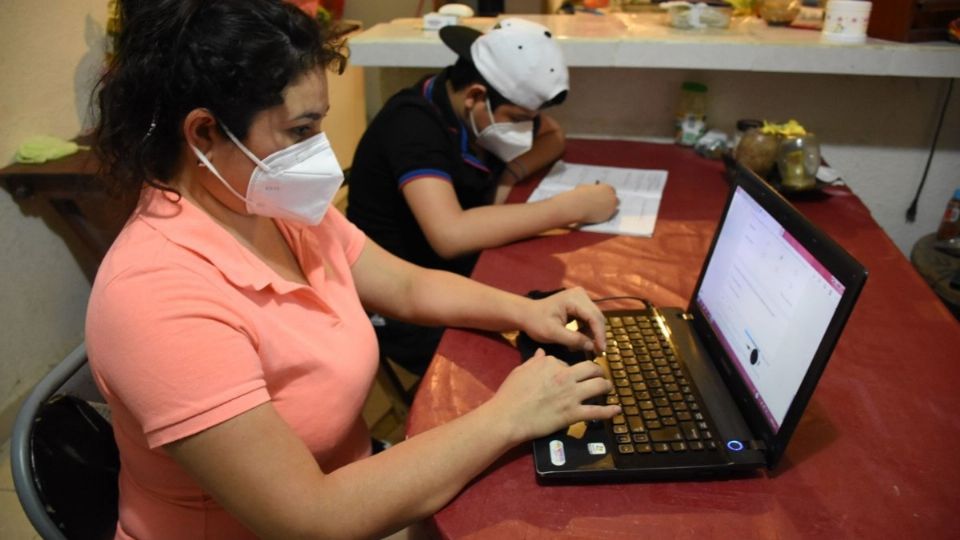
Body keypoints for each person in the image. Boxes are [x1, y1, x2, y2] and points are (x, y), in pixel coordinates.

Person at [87, 2, 620, 538]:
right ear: (204, 133)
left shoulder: (273, 210)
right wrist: (509, 415)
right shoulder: (157, 298)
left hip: (359, 483)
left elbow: (406, 285)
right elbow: (312, 517)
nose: (322, 151)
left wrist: (526, 310)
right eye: (300, 130)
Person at [347, 19, 619, 375]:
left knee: (566, 317)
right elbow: (450, 235)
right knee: (525, 365)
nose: (525, 129)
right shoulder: (411, 125)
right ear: (476, 96)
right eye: (519, 119)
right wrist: (568, 208)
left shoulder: (473, 108)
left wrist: (511, 173)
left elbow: (554, 136)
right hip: (403, 299)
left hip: (455, 277)